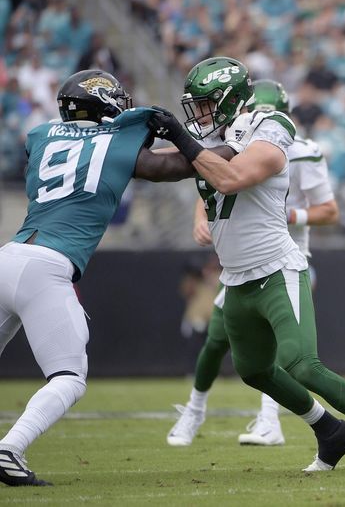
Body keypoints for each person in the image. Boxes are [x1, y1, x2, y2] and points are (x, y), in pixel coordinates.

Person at [152, 57, 345, 474]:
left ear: (232, 101)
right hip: (238, 277)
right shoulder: (207, 139)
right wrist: (119, 138)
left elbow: (228, 177)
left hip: (277, 268)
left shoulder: (271, 126)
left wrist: (180, 137)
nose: (200, 115)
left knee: (301, 364)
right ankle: (330, 432)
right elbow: (169, 166)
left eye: (207, 104)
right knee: (253, 371)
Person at [0, 69, 203, 486]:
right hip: (48, 268)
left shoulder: (40, 136)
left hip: (10, 255)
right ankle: (9, 449)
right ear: (105, 104)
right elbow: (178, 168)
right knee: (70, 377)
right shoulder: (118, 141)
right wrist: (176, 134)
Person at [167, 78, 339, 447]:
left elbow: (329, 211)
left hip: (285, 256)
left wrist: (290, 215)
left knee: (285, 350)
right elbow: (213, 182)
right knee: (216, 340)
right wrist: (200, 218)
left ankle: (269, 419)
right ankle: (195, 410)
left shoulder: (300, 150)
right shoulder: (229, 143)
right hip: (242, 261)